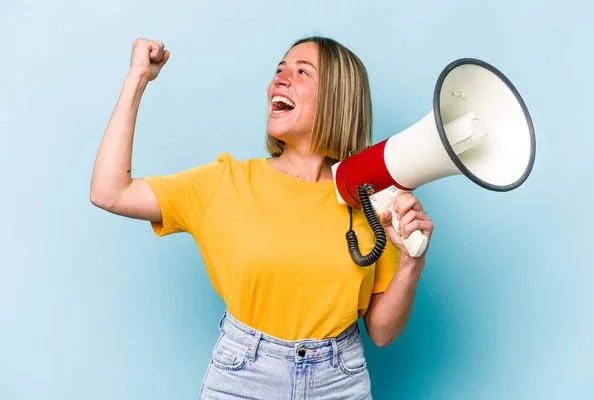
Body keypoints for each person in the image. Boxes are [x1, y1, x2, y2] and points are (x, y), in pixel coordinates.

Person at [90, 36, 434, 400]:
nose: (280, 79)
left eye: (302, 72)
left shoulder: (369, 200)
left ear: (338, 97)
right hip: (244, 377)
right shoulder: (225, 182)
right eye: (279, 69)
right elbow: (109, 192)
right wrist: (137, 78)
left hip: (340, 381)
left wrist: (411, 263)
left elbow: (381, 332)